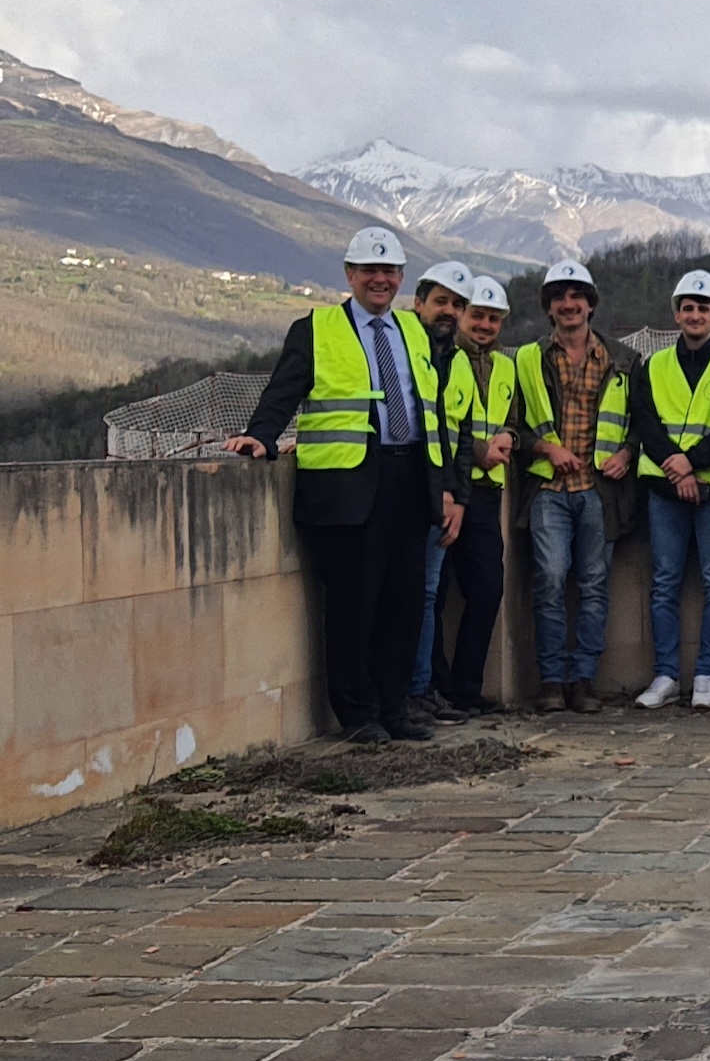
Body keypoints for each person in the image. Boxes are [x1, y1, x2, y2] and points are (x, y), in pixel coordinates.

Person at [226, 227, 463, 744]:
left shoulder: (414, 330)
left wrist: (446, 488)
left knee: (404, 603)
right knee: (354, 604)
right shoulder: (316, 329)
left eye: (389, 271)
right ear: (350, 274)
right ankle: (357, 714)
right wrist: (260, 436)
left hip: (411, 479)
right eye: (369, 270)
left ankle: (395, 707)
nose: (380, 279)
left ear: (401, 277)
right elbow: (283, 390)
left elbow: (433, 411)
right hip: (348, 485)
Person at [510, 260, 640, 715]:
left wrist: (628, 453)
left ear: (591, 304)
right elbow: (511, 427)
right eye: (559, 297)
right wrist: (546, 448)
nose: (569, 304)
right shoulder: (527, 359)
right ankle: (551, 681)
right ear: (548, 308)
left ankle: (583, 680)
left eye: (577, 296)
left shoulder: (623, 360)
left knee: (594, 585)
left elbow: (642, 422)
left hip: (600, 490)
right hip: (549, 490)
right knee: (548, 580)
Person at [630, 270, 710, 712]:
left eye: (704, 308)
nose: (695, 315)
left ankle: (705, 675)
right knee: (664, 583)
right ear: (676, 315)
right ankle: (665, 676)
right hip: (664, 488)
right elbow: (646, 422)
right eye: (688, 308)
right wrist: (677, 473)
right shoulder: (653, 364)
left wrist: (692, 464)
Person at [405, 259, 480, 725]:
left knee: (428, 595)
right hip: (402, 491)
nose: (448, 311)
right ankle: (402, 691)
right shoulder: (402, 348)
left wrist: (458, 499)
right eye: (440, 301)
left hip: (442, 500)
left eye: (456, 304)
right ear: (418, 304)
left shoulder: (461, 364)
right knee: (404, 594)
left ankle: (420, 689)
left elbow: (461, 440)